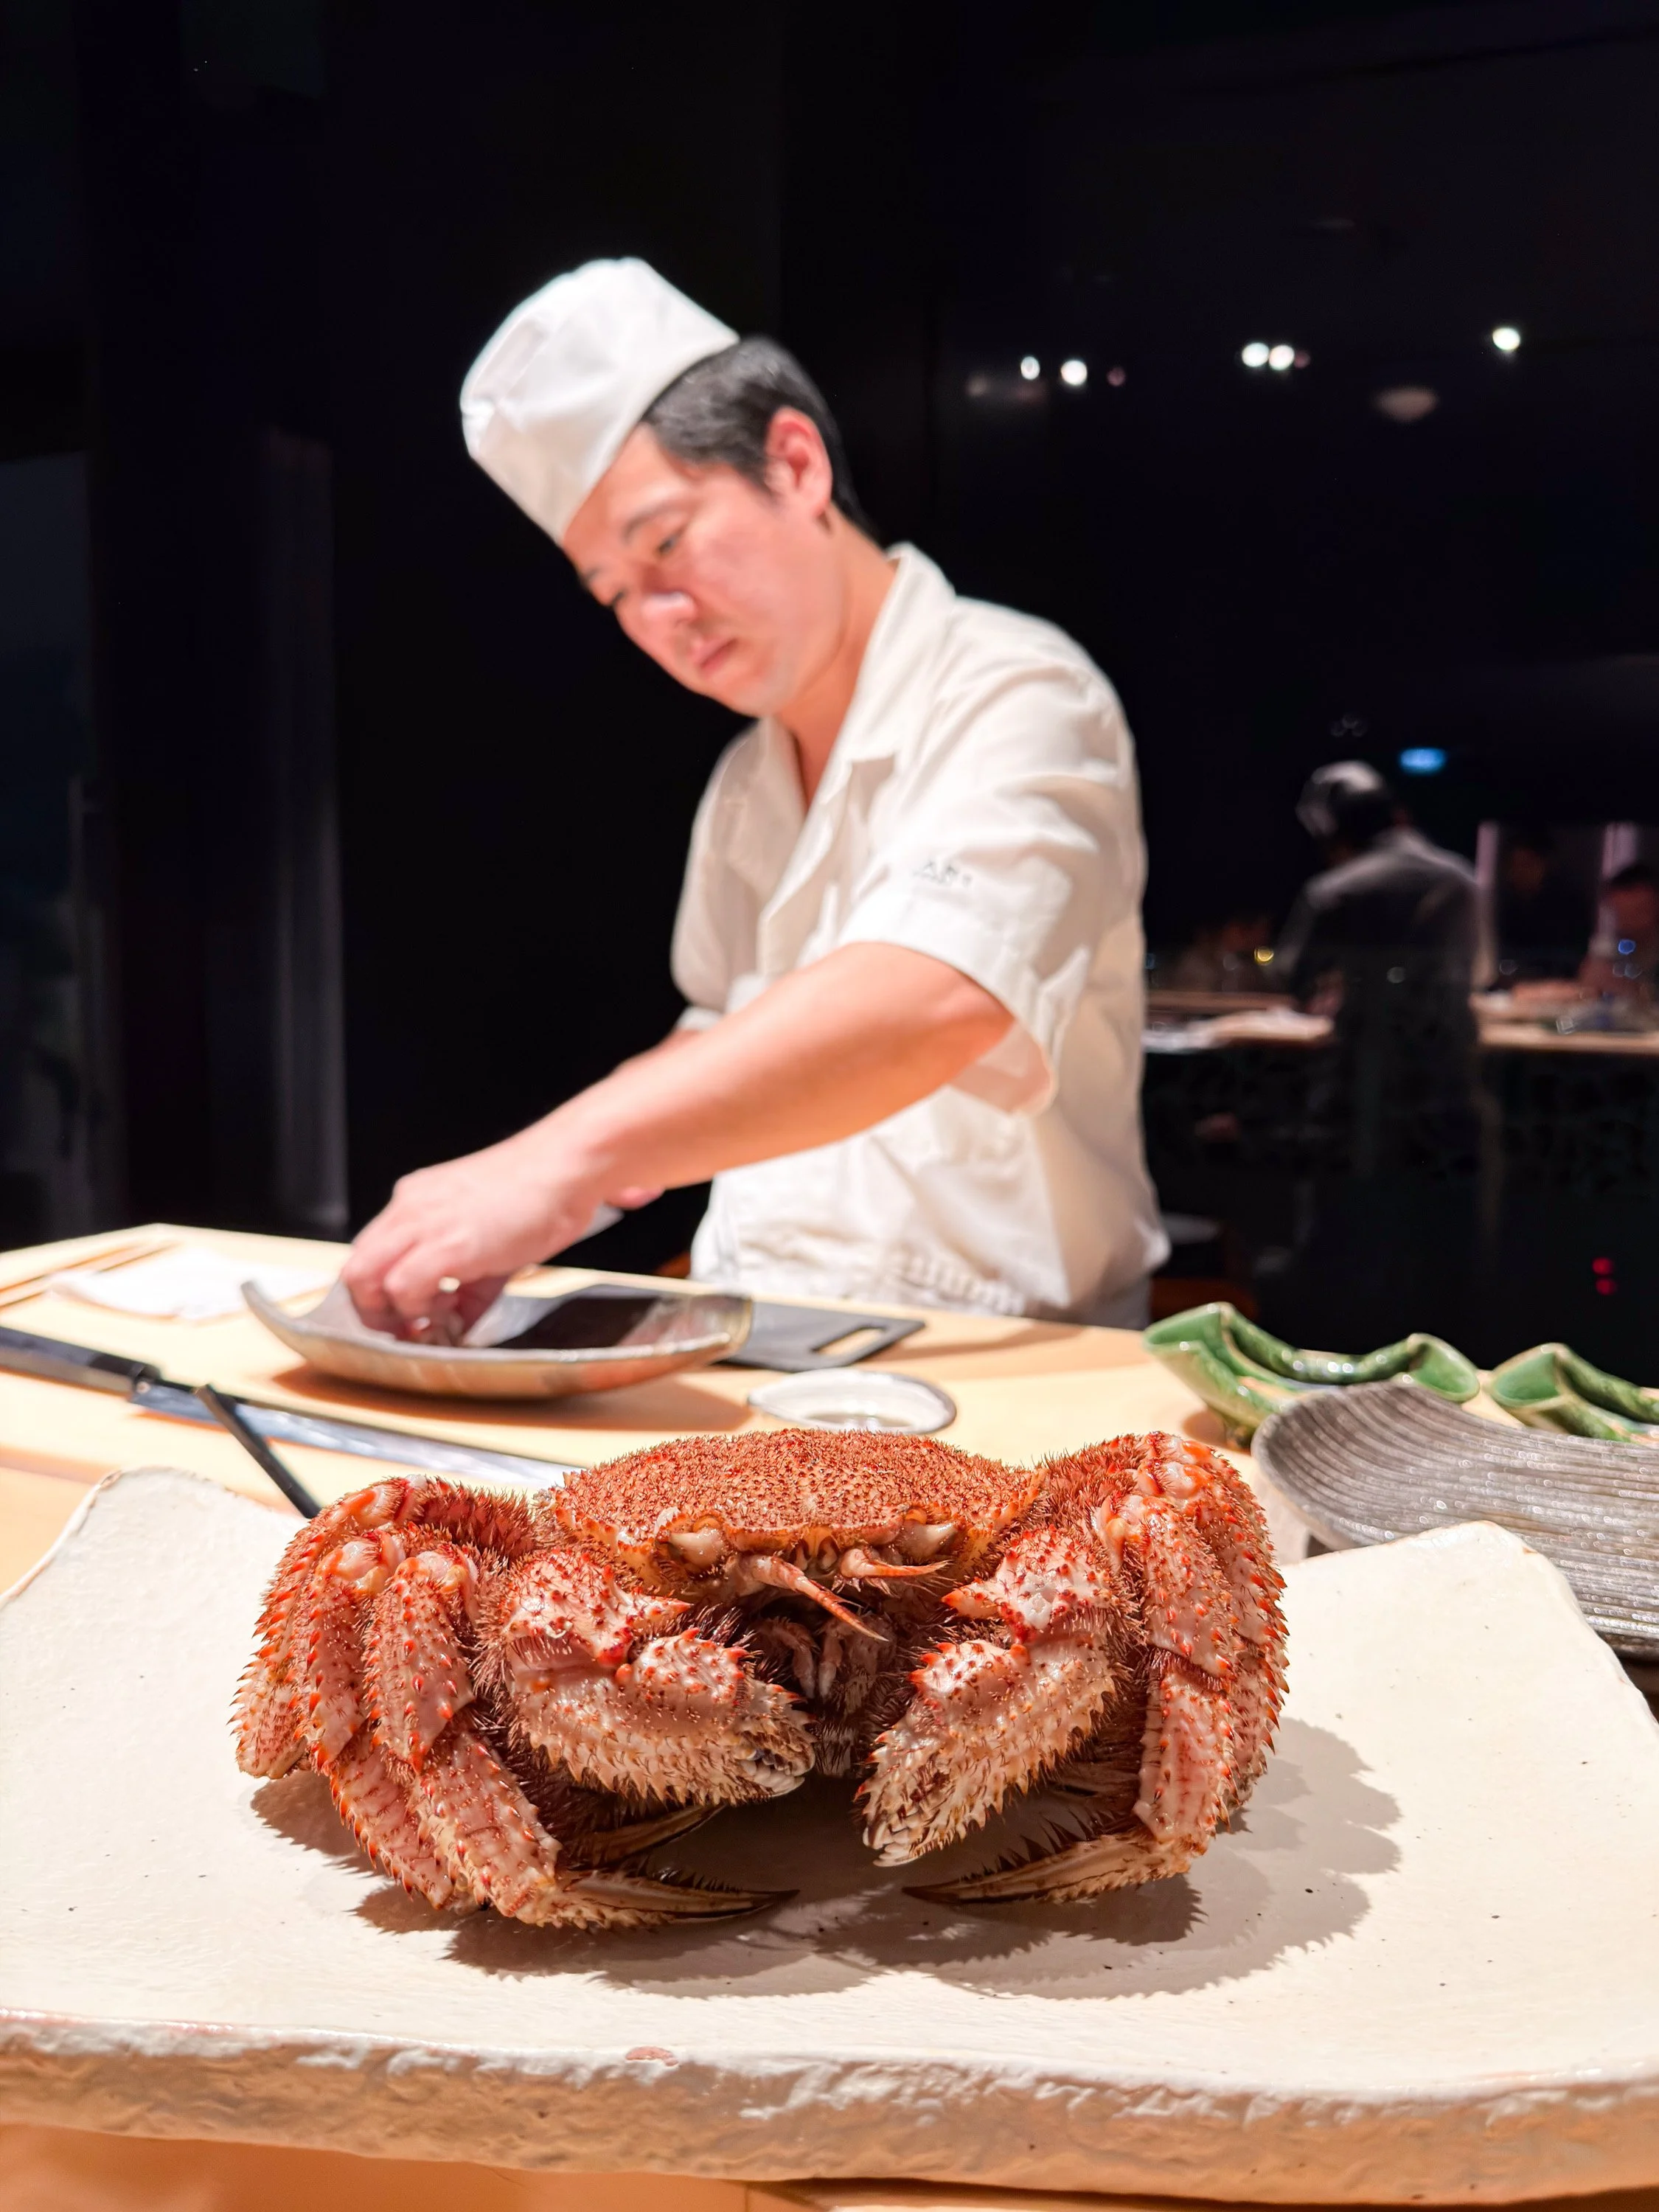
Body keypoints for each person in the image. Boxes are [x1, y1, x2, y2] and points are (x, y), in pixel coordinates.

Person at [343, 259, 1166, 1338]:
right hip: (760, 1331)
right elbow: (723, 1033)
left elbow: (935, 994)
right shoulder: (746, 781)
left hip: (1002, 1351)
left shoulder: (1017, 687)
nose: (659, 618)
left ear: (794, 464)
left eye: (666, 543)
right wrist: (551, 1201)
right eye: (616, 593)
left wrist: (558, 1159)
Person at [1495, 829, 1591, 983]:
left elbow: (1571, 958)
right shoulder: (1509, 905)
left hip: (1560, 986)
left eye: (1526, 864)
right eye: (1513, 865)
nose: (1518, 872)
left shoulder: (1568, 905)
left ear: (1546, 864)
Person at [1579, 860, 1659, 1004]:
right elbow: (1587, 989)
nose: (1627, 923)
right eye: (1620, 914)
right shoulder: (1611, 948)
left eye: (1639, 912)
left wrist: (1634, 991)